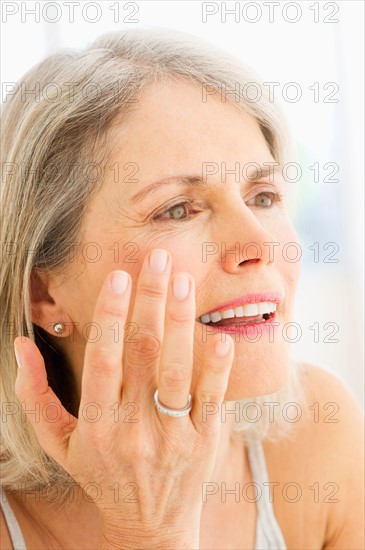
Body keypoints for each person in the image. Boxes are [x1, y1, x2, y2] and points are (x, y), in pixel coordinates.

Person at [0, 28, 363, 550]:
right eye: (178, 209)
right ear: (43, 294)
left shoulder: (319, 438)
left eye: (263, 196)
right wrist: (148, 533)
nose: (258, 243)